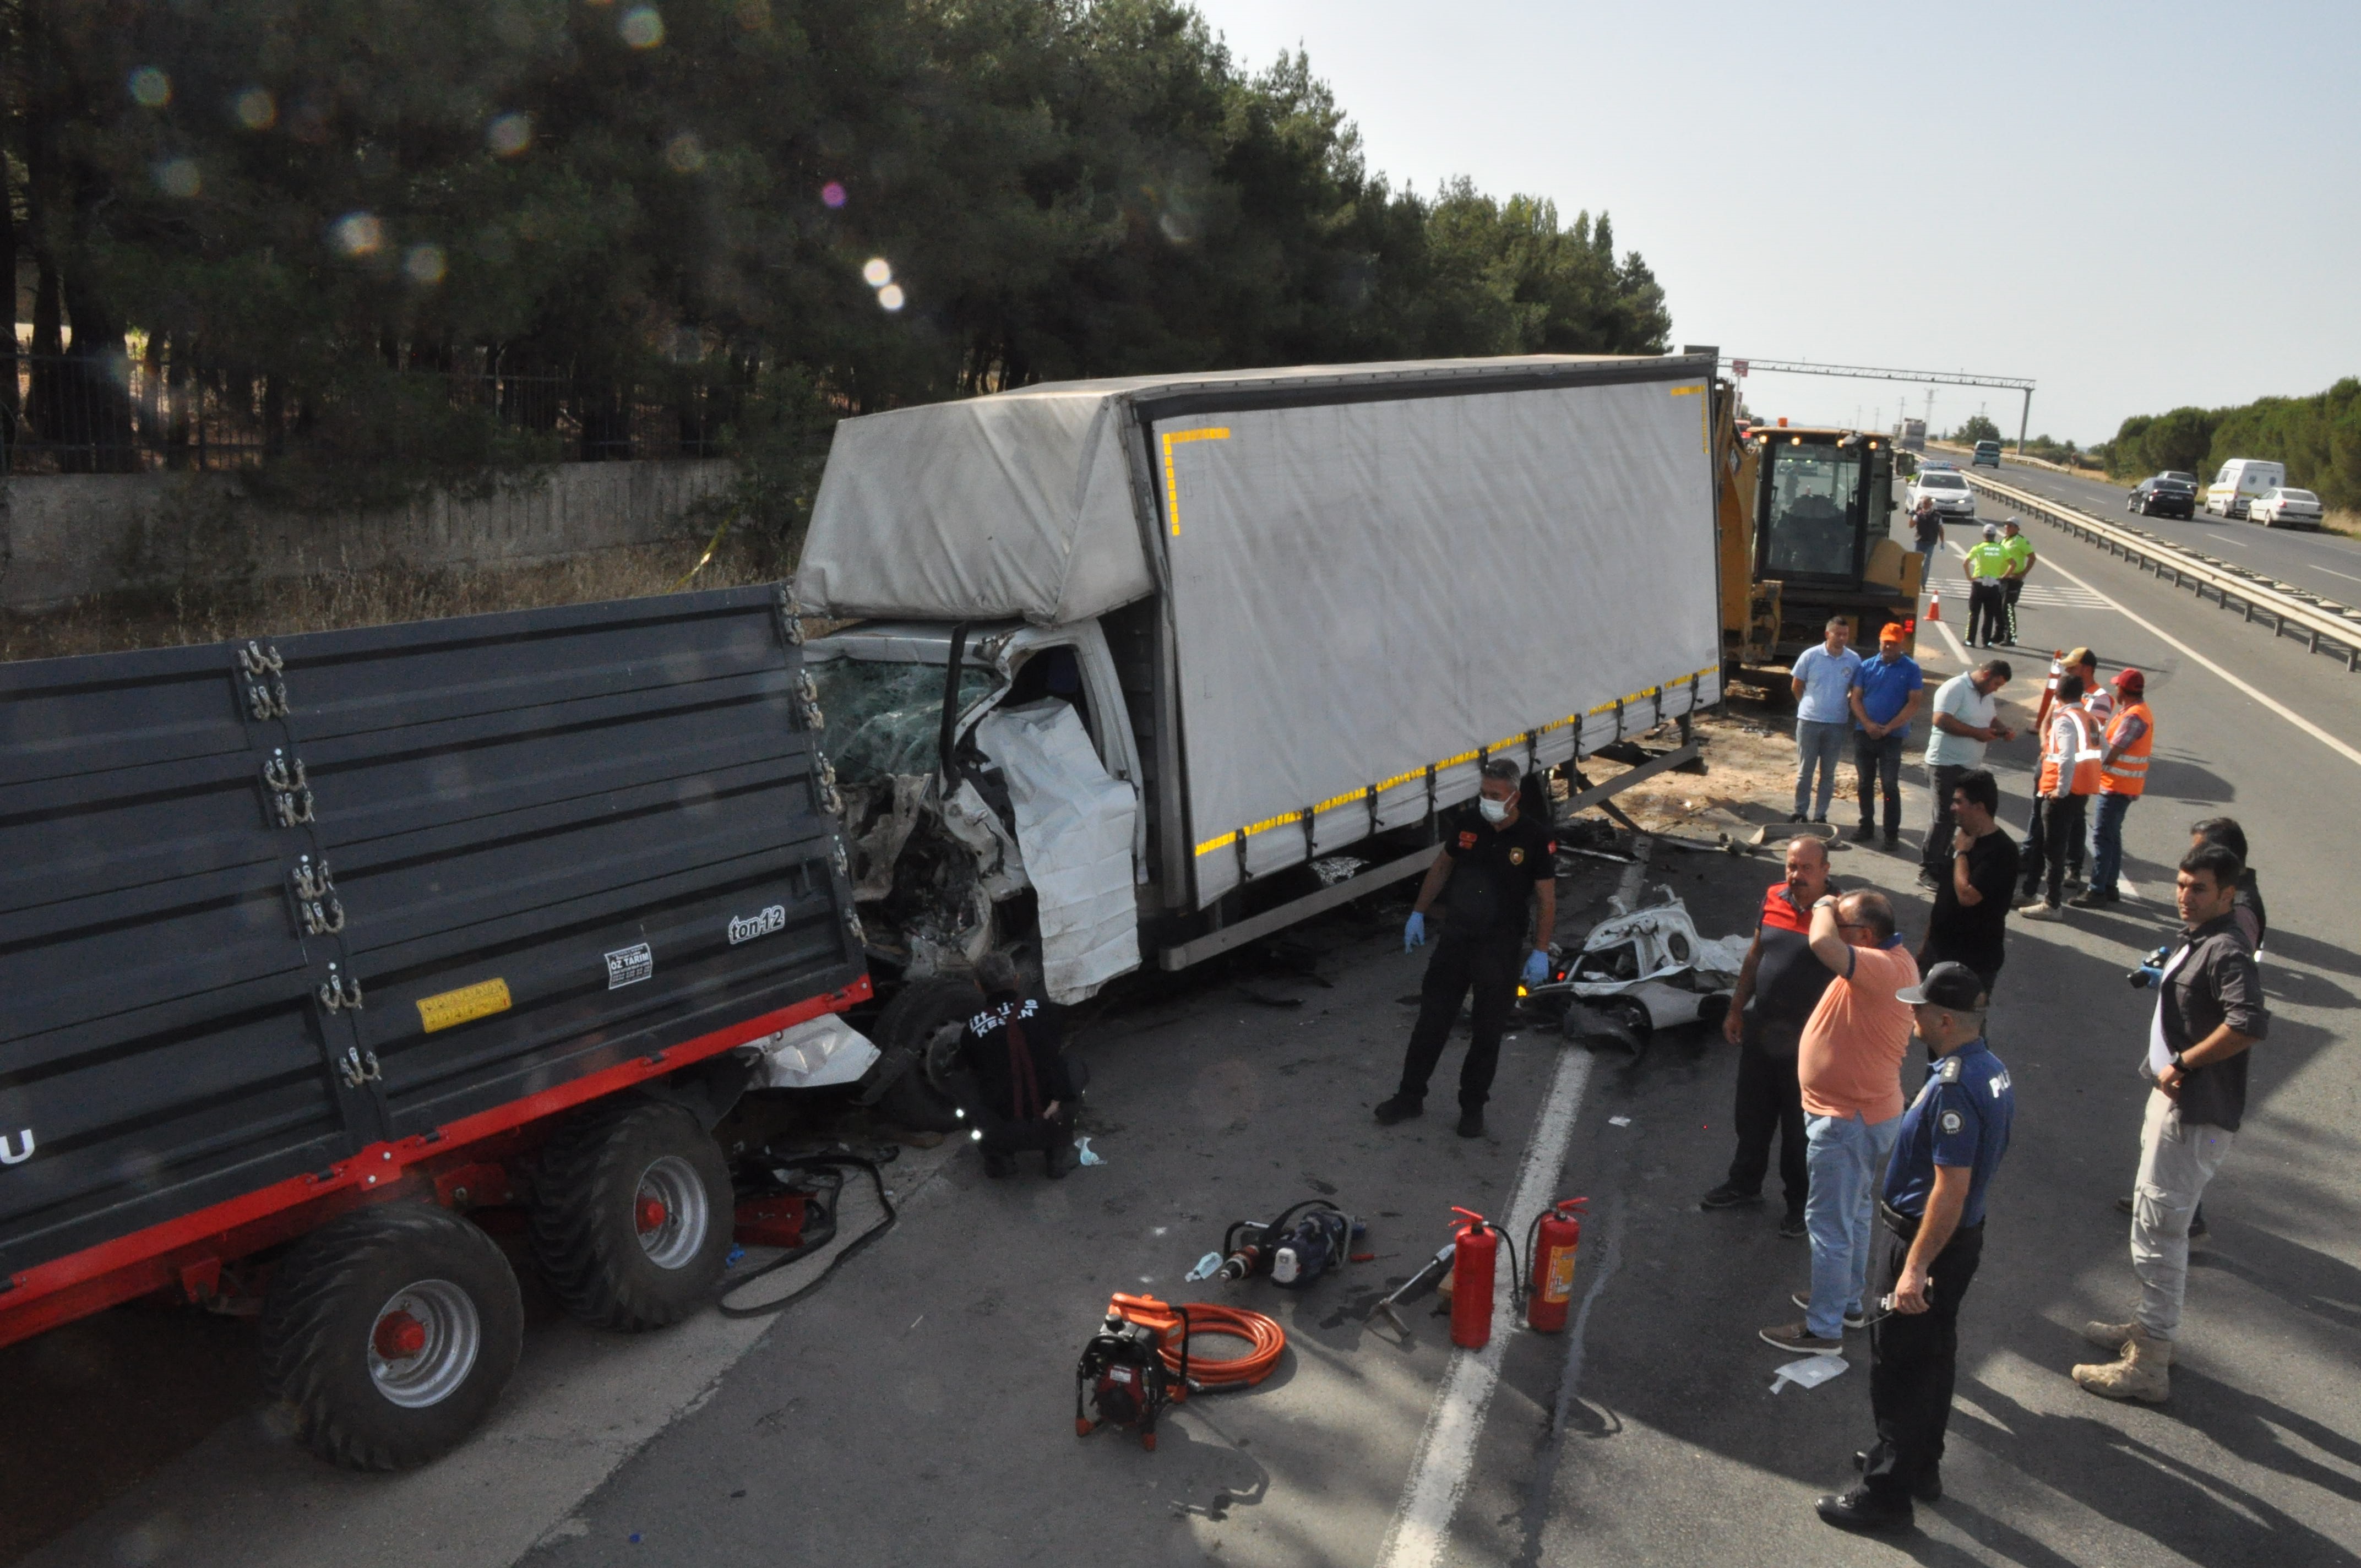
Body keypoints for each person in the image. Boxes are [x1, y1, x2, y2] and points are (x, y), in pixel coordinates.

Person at [1815, 962, 2014, 1534]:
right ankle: (1917, 1466)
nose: (1912, 1014)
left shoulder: (1954, 1086)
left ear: (1945, 1019)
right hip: (1958, 1237)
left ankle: (1885, 1495)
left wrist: (1915, 1267)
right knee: (1933, 1357)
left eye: (1920, 1008)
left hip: (1926, 1237)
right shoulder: (1990, 1069)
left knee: (1898, 1365)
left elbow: (1949, 1186)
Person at [2071, 843, 2267, 1403]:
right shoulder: (2200, 936)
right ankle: (2148, 1329)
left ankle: (2150, 1362)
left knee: (2159, 1234)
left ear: (2227, 894)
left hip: (2194, 1113)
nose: (2184, 896)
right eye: (2181, 884)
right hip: (2172, 1105)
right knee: (2152, 1226)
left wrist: (2184, 1062)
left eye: (2198, 888)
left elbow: (2248, 1023)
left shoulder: (2226, 947)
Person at [1760, 890, 1918, 1355]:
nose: (1829, 927)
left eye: (1843, 926)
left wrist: (1824, 904)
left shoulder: (1881, 965)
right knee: (1854, 1215)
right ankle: (1846, 1301)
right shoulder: (1889, 960)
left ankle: (1823, 1328)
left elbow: (1822, 944)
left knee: (1829, 1224)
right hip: (1861, 1115)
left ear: (1866, 936)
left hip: (1847, 1119)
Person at [1379, 759, 1555, 1139]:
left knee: (1487, 1032)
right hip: (1457, 939)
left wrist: (1540, 949)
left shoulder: (1533, 837)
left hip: (1500, 947)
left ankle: (1472, 1108)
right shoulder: (1469, 825)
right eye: (1483, 793)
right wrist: (1418, 912)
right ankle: (1410, 1097)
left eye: (1495, 796)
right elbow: (1443, 867)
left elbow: (1546, 898)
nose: (1487, 801)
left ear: (1515, 797)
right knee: (1432, 1022)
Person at [1701, 837, 1836, 1238]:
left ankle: (1800, 1205)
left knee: (1799, 1130)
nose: (1796, 876)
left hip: (1809, 1042)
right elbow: (1756, 955)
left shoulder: (1840, 914)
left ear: (1826, 871)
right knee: (1752, 1116)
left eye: (1806, 869)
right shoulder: (1774, 897)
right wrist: (1737, 1008)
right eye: (1791, 867)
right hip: (1763, 1029)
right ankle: (1744, 1184)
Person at [951, 952, 1080, 1178]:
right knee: (1073, 1065)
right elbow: (1055, 1059)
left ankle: (999, 1157)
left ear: (978, 987)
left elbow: (968, 1068)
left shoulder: (971, 1028)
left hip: (1000, 1129)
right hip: (1051, 1119)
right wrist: (1059, 1098)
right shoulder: (1046, 1011)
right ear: (1017, 979)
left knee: (961, 1081)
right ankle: (1058, 1152)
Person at [1916, 770, 2018, 1002]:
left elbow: (1967, 896)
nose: (1952, 807)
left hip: (1973, 962)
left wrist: (1961, 852)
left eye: (1958, 802)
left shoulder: (2002, 850)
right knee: (1930, 1023)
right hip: (1938, 952)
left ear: (1979, 807)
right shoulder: (1963, 837)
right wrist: (1926, 945)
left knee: (1964, 1031)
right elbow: (1944, 897)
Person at [1917, 661, 2014, 891]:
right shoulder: (1955, 688)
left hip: (1969, 765)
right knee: (1944, 818)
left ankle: (1946, 865)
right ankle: (1928, 869)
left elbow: (1989, 718)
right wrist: (1976, 734)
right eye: (1996, 683)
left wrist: (2002, 729)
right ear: (1987, 674)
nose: (1996, 689)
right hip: (1946, 763)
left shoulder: (1985, 694)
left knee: (1960, 817)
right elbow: (1940, 719)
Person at [2017, 673, 2099, 921]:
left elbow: (2065, 758)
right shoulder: (2089, 718)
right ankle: (2029, 891)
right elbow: (2101, 751)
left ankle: (2052, 904)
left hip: (2059, 793)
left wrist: (2061, 790)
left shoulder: (2065, 720)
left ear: (2057, 696)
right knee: (2043, 842)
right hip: (2078, 791)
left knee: (2053, 849)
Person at [2073, 668, 2153, 908]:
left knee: (2103, 838)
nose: (2115, 688)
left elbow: (2112, 753)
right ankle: (2109, 886)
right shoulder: (2133, 712)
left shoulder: (2133, 717)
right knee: (2112, 838)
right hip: (2121, 786)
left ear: (2123, 690)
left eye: (2117, 685)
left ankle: (2097, 889)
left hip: (2117, 787)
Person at [1848, 626, 1924, 849]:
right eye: (1886, 642)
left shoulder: (1911, 669)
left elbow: (1914, 703)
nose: (1889, 647)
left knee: (1889, 786)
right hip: (1865, 734)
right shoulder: (1866, 666)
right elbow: (1856, 699)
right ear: (1880, 642)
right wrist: (1869, 724)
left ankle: (1891, 833)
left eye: (1894, 643)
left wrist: (1890, 727)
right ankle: (1866, 826)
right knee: (1864, 783)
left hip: (1892, 737)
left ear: (1902, 645)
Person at [1790, 618, 1862, 825]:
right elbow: (1797, 686)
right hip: (1809, 721)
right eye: (1837, 634)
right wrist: (1806, 706)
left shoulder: (1853, 660)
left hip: (1836, 724)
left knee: (1828, 773)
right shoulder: (1811, 656)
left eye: (1845, 635)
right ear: (1827, 634)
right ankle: (1800, 811)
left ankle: (1821, 815)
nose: (1841, 638)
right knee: (1805, 771)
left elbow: (1856, 690)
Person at [1962, 526, 2011, 649]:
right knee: (1989, 615)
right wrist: (2004, 576)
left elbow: (1966, 562)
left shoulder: (1979, 547)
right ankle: (1986, 642)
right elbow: (2013, 564)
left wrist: (1969, 577)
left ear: (1984, 535)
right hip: (1994, 585)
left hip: (1979, 583)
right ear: (1995, 536)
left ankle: (1970, 641)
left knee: (1974, 614)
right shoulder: (2001, 549)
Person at [1997, 520, 2037, 645]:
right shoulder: (2004, 540)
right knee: (1999, 609)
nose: (2007, 527)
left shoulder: (2021, 541)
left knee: (2007, 608)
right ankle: (2001, 634)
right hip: (2002, 578)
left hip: (2013, 579)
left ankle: (2011, 637)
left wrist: (2023, 573)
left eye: (2010, 526)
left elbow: (2032, 557)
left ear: (2017, 528)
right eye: (2006, 525)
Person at [1911, 497, 1944, 561]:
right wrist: (1912, 516)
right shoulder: (1918, 514)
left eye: (1927, 504)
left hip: (1931, 542)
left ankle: (1925, 571)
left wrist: (1942, 542)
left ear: (1931, 504)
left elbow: (1941, 530)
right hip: (1919, 541)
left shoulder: (1937, 516)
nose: (1925, 505)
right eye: (1924, 504)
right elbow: (1911, 526)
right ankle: (1917, 571)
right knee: (1917, 560)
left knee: (1927, 560)